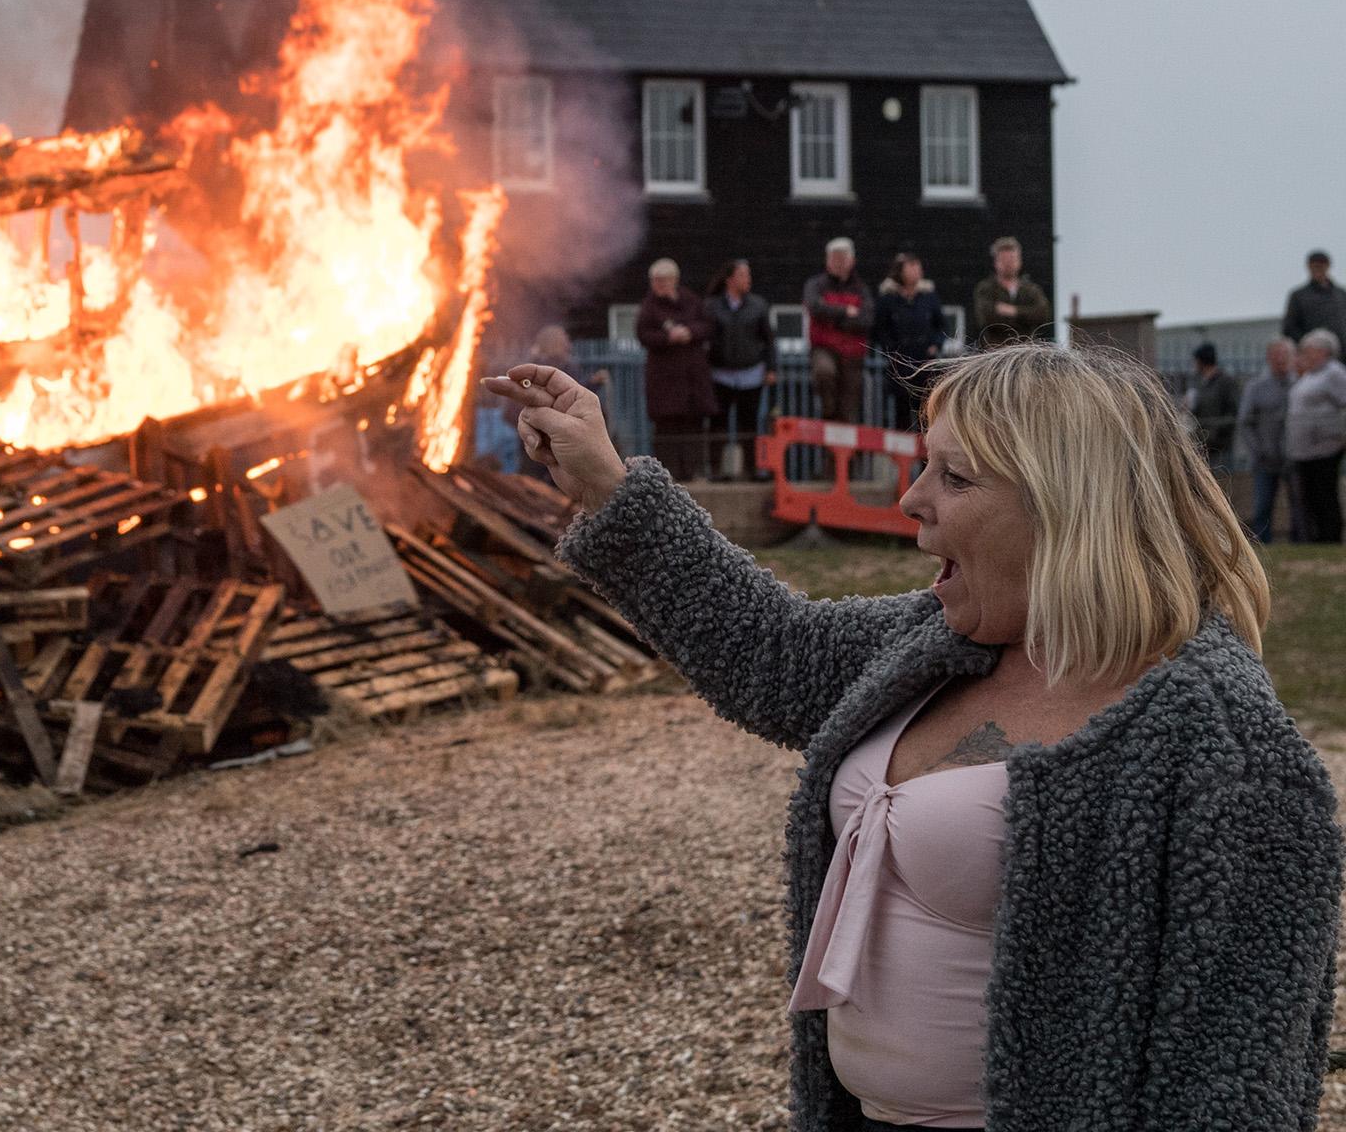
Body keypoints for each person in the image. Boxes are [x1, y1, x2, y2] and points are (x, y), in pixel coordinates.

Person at [484, 346, 1340, 1131]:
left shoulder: (1227, 752)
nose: (911, 499)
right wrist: (607, 480)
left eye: (955, 478)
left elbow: (1232, 1085)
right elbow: (768, 651)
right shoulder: (941, 640)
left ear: (1071, 506)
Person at [635, 259, 715, 483]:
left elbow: (708, 326)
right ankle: (668, 473)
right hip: (664, 380)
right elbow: (643, 335)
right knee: (667, 428)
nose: (658, 285)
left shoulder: (691, 301)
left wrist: (689, 332)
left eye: (663, 281)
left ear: (674, 280)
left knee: (693, 426)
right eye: (655, 281)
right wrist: (667, 338)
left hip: (692, 379)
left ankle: (694, 469)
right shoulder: (649, 307)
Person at [500, 325, 605, 483]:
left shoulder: (529, 368)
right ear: (555, 344)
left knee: (533, 488)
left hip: (536, 445)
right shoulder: (561, 369)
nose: (568, 345)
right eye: (564, 341)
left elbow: (509, 412)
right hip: (551, 445)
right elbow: (574, 398)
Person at [704, 259, 775, 479]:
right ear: (730, 279)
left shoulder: (758, 305)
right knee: (718, 424)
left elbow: (769, 341)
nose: (748, 280)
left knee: (749, 424)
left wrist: (771, 368)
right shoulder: (712, 306)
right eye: (743, 275)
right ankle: (716, 470)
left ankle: (752, 470)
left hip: (750, 374)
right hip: (720, 375)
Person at [870, 252, 947, 434]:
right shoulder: (888, 299)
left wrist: (936, 344)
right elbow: (879, 330)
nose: (916, 271)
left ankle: (925, 460)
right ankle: (902, 460)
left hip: (926, 364)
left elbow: (941, 326)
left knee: (926, 415)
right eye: (911, 267)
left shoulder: (929, 297)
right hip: (900, 365)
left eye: (917, 266)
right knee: (901, 416)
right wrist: (892, 350)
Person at [1237, 337, 1300, 543]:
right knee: (1263, 505)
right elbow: (1245, 422)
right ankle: (1263, 544)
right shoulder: (1256, 387)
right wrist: (1258, 450)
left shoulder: (1300, 384)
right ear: (1268, 358)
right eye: (1276, 355)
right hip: (1265, 459)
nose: (1280, 359)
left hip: (1294, 457)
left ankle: (1299, 542)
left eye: (1285, 355)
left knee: (1299, 504)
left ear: (1292, 357)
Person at [1287, 328, 1346, 544]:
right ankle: (1316, 538)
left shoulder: (1334, 373)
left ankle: (1330, 538)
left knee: (1325, 496)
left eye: (1309, 350)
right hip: (1304, 451)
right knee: (1311, 498)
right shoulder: (1309, 375)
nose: (1305, 355)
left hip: (1325, 448)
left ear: (1323, 351)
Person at [803, 238, 871, 423]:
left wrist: (834, 320)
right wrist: (845, 312)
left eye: (843, 258)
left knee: (849, 406)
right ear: (828, 261)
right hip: (824, 347)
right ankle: (828, 411)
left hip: (852, 355)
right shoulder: (816, 285)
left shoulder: (861, 289)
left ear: (852, 261)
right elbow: (815, 308)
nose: (839, 263)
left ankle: (845, 449)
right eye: (835, 259)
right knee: (824, 372)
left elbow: (866, 319)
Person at [970, 237, 1053, 348]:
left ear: (1020, 261)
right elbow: (985, 319)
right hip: (994, 352)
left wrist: (1013, 311)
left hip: (1026, 350)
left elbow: (1043, 314)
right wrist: (1025, 318)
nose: (1008, 264)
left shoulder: (1031, 290)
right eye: (1004, 260)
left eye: (1012, 259)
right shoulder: (985, 289)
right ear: (996, 262)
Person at [1183, 341, 1241, 475]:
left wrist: (1216, 431)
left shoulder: (1226, 382)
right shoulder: (1198, 382)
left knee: (1221, 482)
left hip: (1220, 445)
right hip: (1202, 443)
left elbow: (1233, 412)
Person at [1283, 249, 1346, 344]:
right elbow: (1289, 327)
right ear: (1308, 267)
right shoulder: (1299, 296)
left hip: (1341, 350)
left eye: (1320, 266)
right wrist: (1308, 344)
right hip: (1313, 353)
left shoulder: (1340, 294)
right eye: (1314, 267)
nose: (1317, 270)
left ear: (1327, 266)